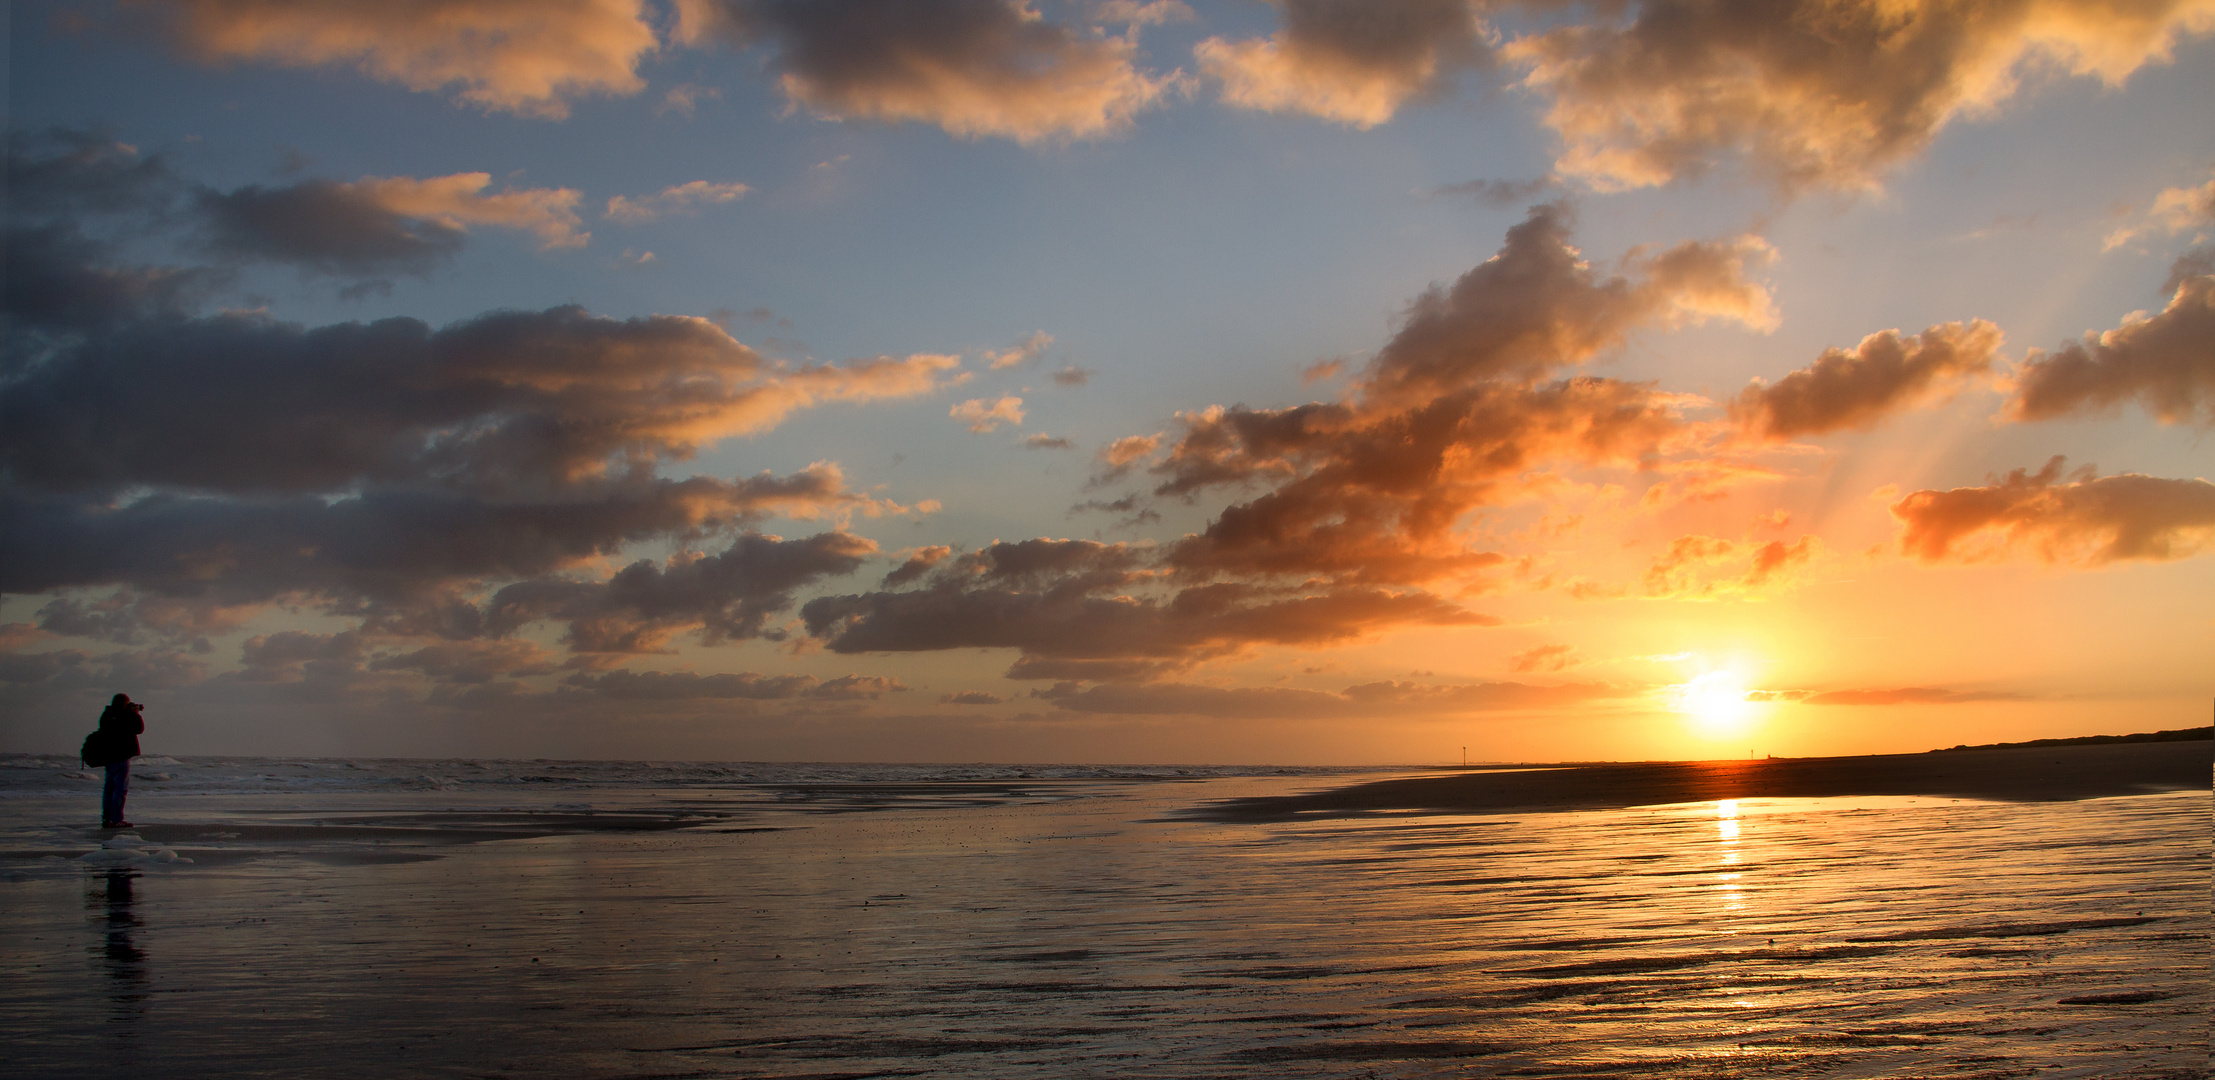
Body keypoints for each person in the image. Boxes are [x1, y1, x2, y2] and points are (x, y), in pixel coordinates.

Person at [98, 693, 144, 828]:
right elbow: (139, 729)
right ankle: (117, 819)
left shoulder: (107, 715)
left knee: (109, 789)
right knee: (120, 789)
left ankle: (106, 818)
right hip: (122, 756)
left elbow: (103, 728)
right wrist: (135, 713)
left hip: (109, 757)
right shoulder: (126, 716)